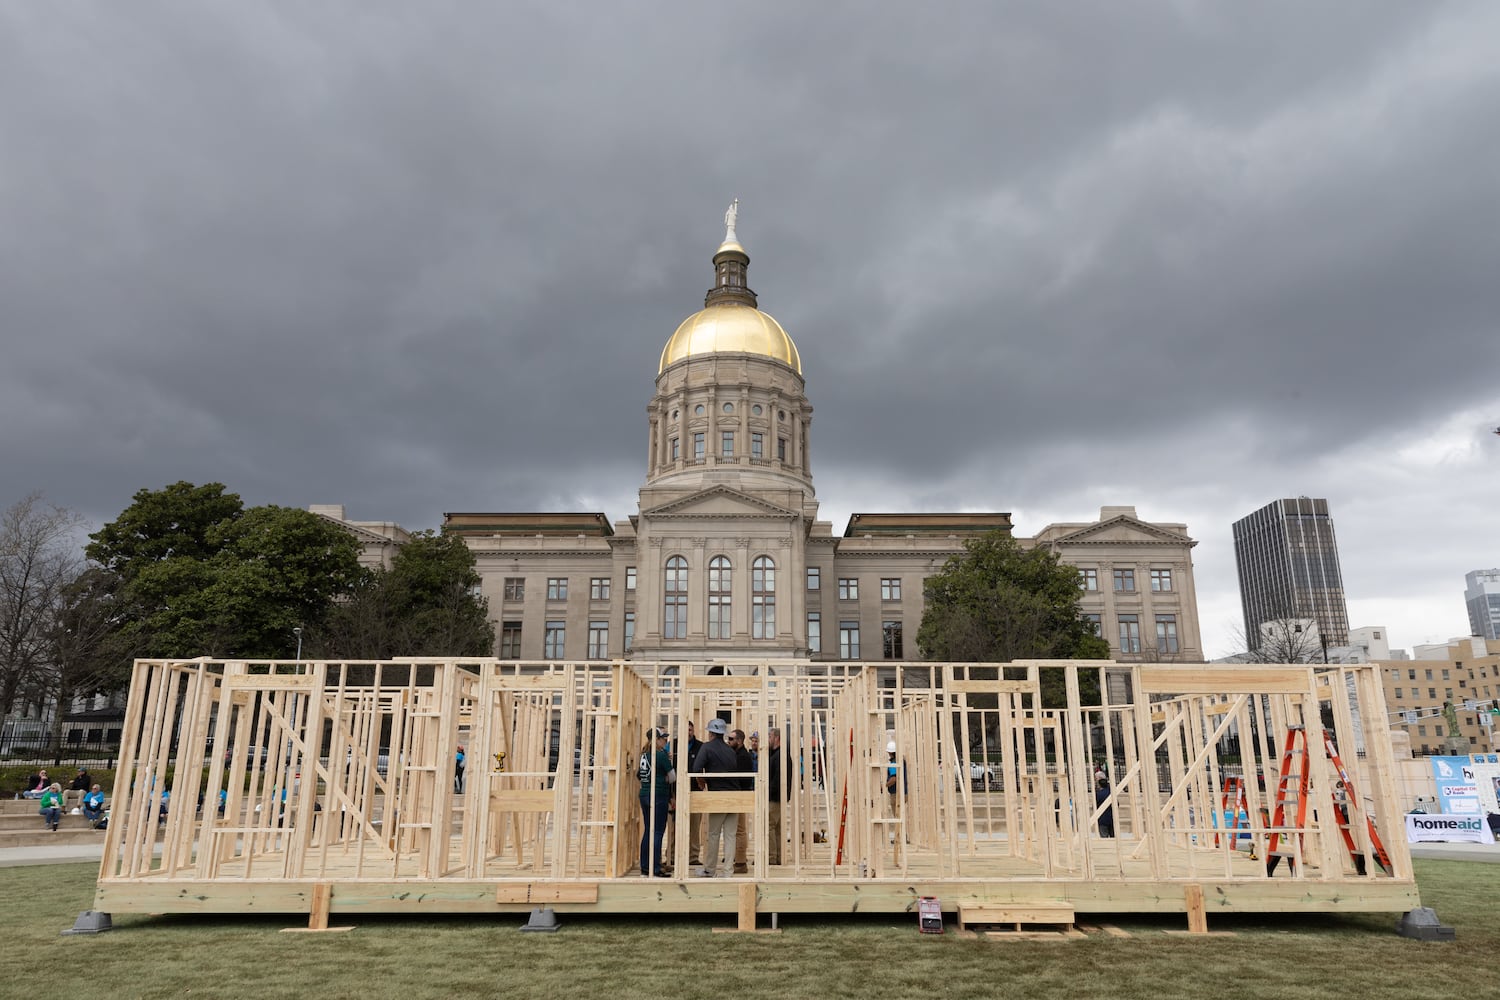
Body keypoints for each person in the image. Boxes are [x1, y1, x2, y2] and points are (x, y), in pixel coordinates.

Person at [691, 718, 738, 877]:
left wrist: (701, 780)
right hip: (734, 797)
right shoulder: (730, 750)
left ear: (711, 733)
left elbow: (696, 768)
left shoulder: (706, 747)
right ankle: (728, 872)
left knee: (713, 834)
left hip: (718, 796)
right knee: (731, 835)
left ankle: (710, 869)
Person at [637, 728, 673, 877]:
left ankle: (645, 866)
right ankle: (656, 868)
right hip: (658, 796)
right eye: (663, 738)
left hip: (644, 794)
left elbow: (639, 775)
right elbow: (673, 777)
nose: (665, 741)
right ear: (657, 739)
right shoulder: (660, 755)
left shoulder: (644, 755)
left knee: (648, 830)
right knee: (657, 831)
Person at [730, 729, 753, 874]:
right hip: (737, 794)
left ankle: (740, 862)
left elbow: (744, 778)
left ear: (739, 741)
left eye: (731, 739)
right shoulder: (737, 754)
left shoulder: (743, 756)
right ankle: (736, 859)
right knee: (736, 829)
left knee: (739, 830)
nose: (728, 741)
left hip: (740, 795)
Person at [766, 728, 790, 865]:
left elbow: (778, 779)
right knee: (777, 828)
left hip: (775, 797)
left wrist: (769, 793)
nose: (768, 739)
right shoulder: (777, 754)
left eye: (770, 736)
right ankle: (778, 857)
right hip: (778, 796)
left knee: (769, 826)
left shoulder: (780, 756)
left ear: (776, 738)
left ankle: (771, 858)